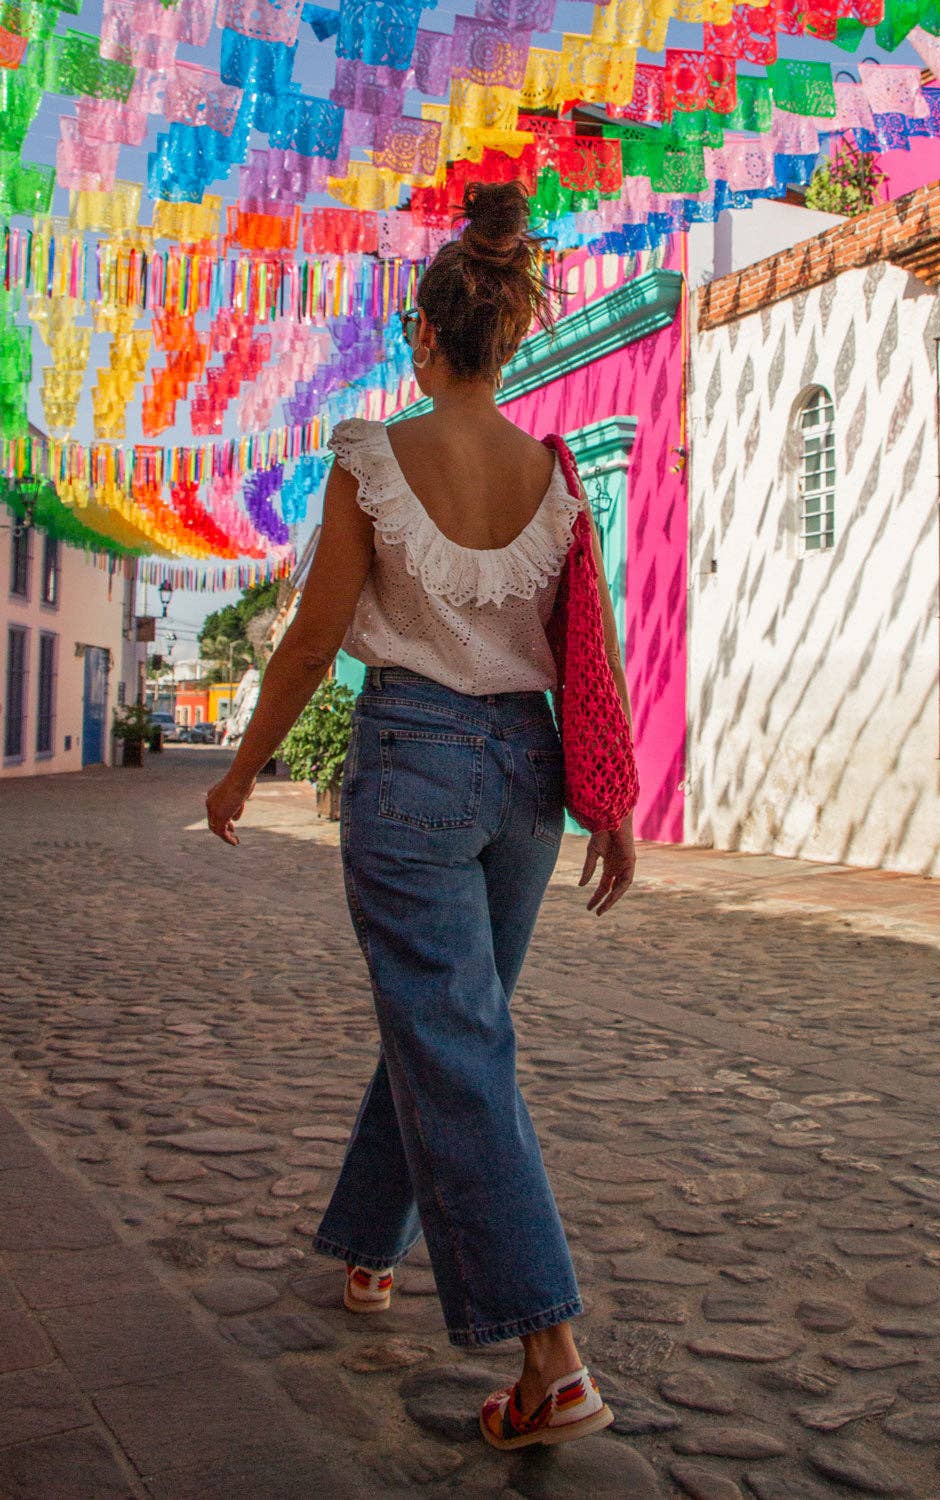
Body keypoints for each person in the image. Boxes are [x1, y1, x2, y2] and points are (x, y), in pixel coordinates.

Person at [205, 180, 636, 1451]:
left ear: (428, 338)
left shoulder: (374, 455)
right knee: (449, 1027)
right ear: (504, 339)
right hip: (529, 781)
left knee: (454, 1044)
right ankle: (367, 1249)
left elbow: (312, 639)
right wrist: (606, 801)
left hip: (417, 770)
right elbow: (589, 644)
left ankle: (550, 1353)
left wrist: (240, 770)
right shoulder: (553, 469)